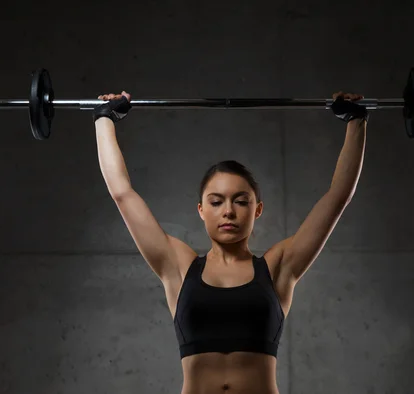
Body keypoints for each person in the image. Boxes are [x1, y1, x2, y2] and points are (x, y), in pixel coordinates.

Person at [93, 90, 368, 394]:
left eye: (240, 201)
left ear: (257, 209)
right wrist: (104, 118)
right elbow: (122, 194)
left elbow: (337, 197)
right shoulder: (179, 266)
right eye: (215, 202)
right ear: (201, 209)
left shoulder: (278, 267)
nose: (228, 211)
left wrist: (356, 121)